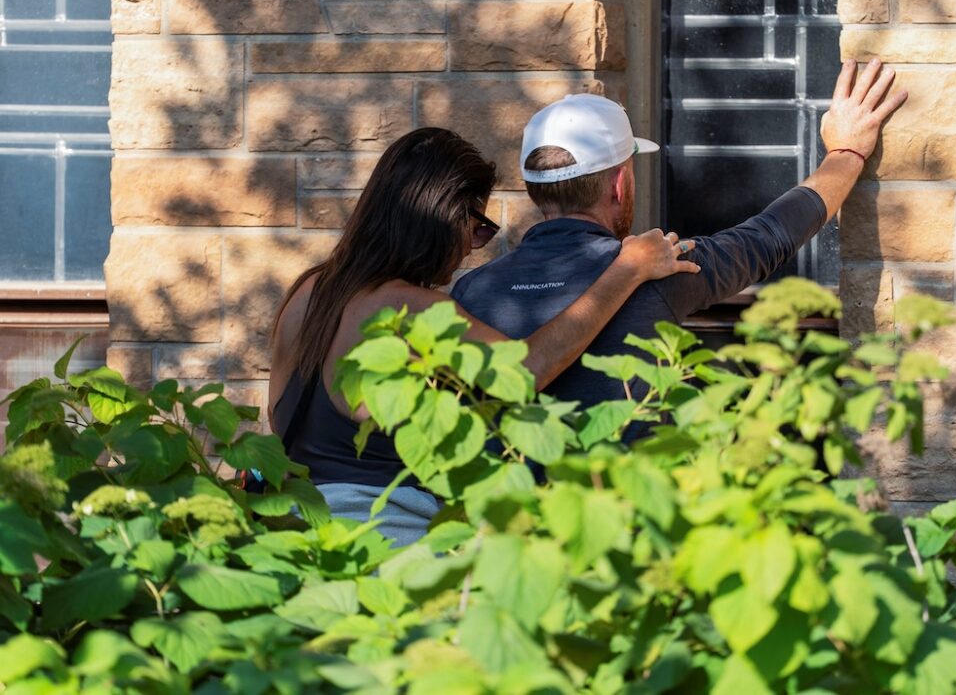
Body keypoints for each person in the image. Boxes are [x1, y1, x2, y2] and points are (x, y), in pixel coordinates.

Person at [267, 127, 699, 545]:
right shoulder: (413, 308)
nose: (473, 248)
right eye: (478, 226)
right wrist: (626, 270)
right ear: (444, 216)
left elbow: (278, 420)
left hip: (295, 529)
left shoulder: (306, 294)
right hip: (382, 539)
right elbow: (525, 370)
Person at [452, 58, 908, 433]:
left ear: (535, 189)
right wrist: (846, 153)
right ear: (618, 184)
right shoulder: (659, 272)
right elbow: (769, 237)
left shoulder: (470, 294)